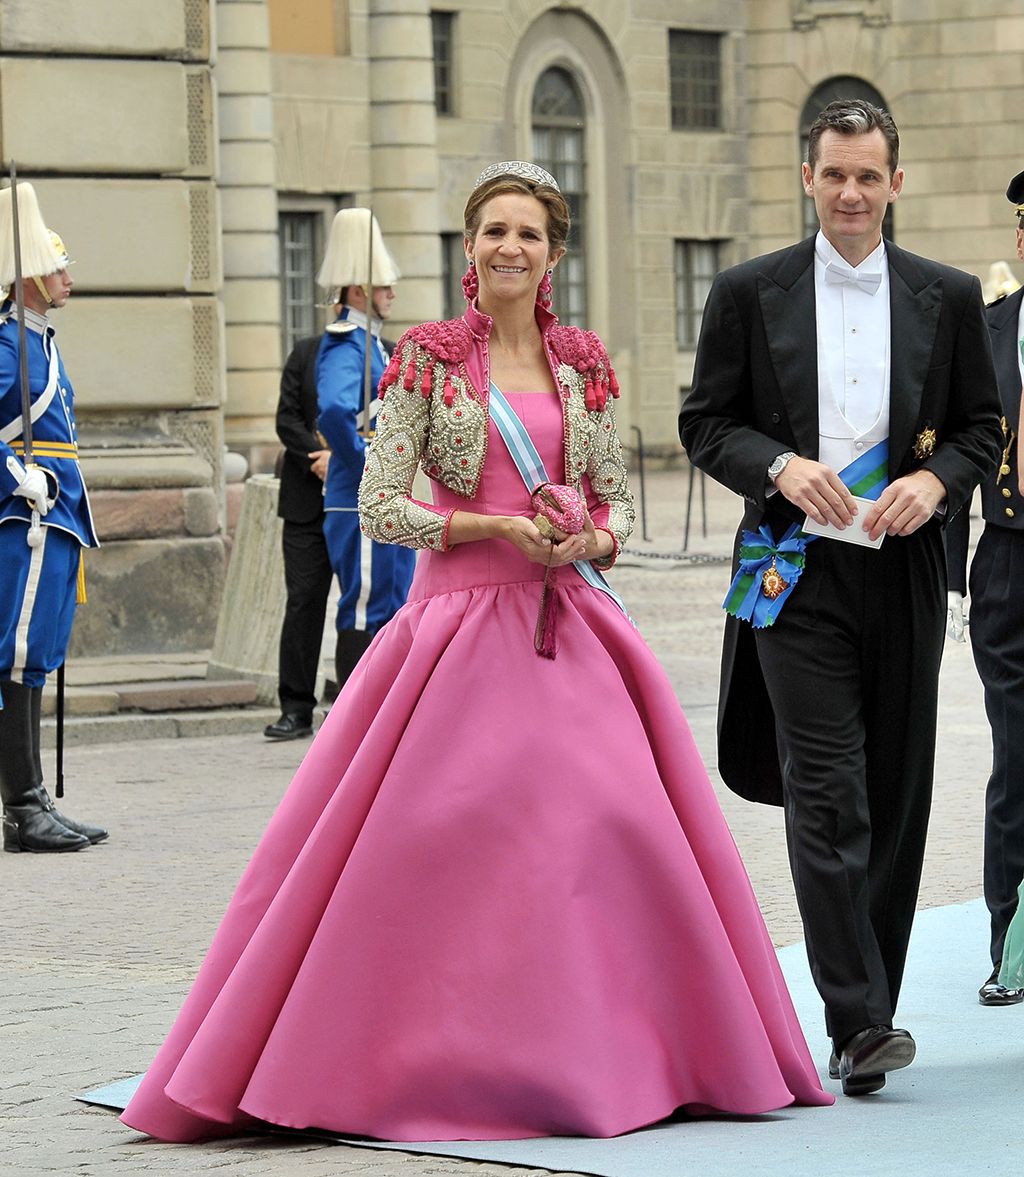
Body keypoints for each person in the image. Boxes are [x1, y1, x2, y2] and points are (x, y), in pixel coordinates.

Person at [120, 161, 831, 1144]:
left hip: (573, 627)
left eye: (529, 234)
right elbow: (378, 504)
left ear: (553, 252)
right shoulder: (424, 357)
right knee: (435, 850)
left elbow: (614, 500)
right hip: (454, 634)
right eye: (494, 230)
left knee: (606, 832)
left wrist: (591, 538)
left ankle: (624, 1053)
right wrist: (491, 529)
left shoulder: (583, 362)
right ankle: (413, 1056)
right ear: (470, 245)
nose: (510, 247)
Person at [680, 99, 1002, 1097]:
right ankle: (857, 1021)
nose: (852, 193)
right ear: (807, 178)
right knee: (827, 792)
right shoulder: (747, 293)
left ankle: (875, 1002)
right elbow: (705, 423)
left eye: (869, 177)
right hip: (790, 574)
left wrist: (935, 480)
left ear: (894, 183)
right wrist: (775, 464)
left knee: (896, 793)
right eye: (834, 175)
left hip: (901, 572)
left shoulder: (946, 297)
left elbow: (979, 427)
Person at [0, 181, 106, 853]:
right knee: (13, 658)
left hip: (56, 514)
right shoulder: (9, 345)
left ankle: (34, 797)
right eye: (57, 266)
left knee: (35, 659)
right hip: (26, 515)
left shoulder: (40, 340)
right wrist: (16, 473)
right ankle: (21, 807)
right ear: (30, 277)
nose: (68, 276)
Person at [946, 168, 1024, 1004]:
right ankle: (1010, 944)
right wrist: (945, 584)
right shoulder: (991, 329)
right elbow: (959, 452)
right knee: (1018, 754)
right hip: (1009, 562)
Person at [315, 209, 415, 691]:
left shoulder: (372, 344)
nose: (392, 293)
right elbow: (334, 411)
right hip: (358, 493)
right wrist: (366, 463)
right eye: (383, 286)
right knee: (365, 601)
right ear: (358, 291)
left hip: (377, 494)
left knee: (392, 597)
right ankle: (353, 706)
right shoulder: (347, 344)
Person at [262, 332, 333, 741]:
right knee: (304, 599)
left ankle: (356, 704)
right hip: (306, 499)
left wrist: (344, 457)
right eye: (383, 288)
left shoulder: (387, 352)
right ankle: (296, 707)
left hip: (360, 500)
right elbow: (286, 418)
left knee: (362, 606)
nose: (390, 295)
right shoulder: (307, 352)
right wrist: (317, 457)